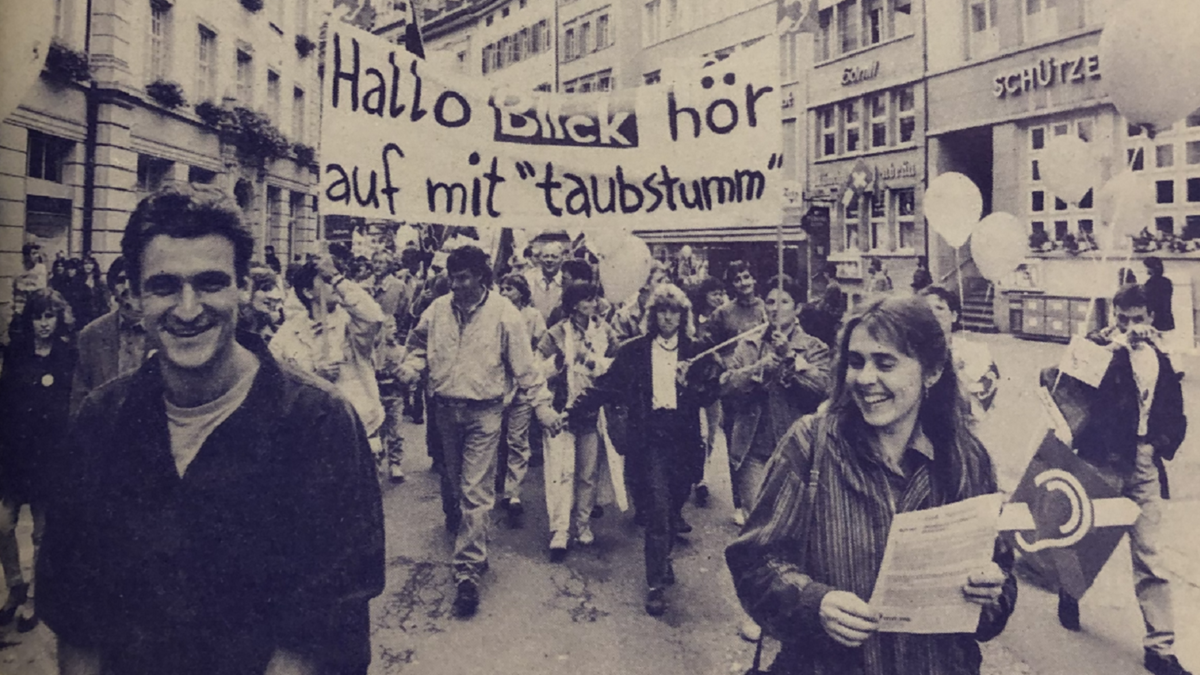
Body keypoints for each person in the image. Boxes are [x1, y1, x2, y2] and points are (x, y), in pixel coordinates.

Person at [37, 185, 385, 674]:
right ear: (135, 296)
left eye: (209, 283)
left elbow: (320, 633)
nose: (186, 308)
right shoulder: (101, 421)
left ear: (243, 286)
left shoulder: (319, 425)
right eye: (163, 286)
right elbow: (78, 621)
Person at [726, 295, 1017, 675]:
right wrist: (814, 603)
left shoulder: (966, 458)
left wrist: (990, 592)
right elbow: (754, 562)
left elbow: (999, 578)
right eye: (856, 361)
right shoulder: (811, 445)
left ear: (931, 372)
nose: (865, 379)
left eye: (885, 363)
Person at [398, 245, 562, 619]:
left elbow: (525, 368)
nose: (456, 285)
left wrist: (543, 407)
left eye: (463, 278)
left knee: (476, 489)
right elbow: (418, 345)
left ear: (481, 278)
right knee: (455, 486)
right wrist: (411, 366)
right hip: (444, 410)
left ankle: (467, 573)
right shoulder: (437, 309)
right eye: (452, 278)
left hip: (485, 412)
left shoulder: (505, 314)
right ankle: (469, 535)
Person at [1052, 284, 1190, 675]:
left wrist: (1159, 444)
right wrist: (1111, 348)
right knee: (1086, 537)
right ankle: (1069, 589)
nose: (1130, 326)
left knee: (1151, 556)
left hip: (1145, 463)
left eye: (1138, 318)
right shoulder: (1100, 348)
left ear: (1150, 318)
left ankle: (1159, 648)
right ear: (1114, 316)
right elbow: (1065, 384)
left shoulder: (1160, 358)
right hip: (1104, 461)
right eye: (1122, 318)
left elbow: (1175, 414)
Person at [570, 284, 721, 616]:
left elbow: (712, 392)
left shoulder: (696, 351)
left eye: (674, 312)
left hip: (683, 439)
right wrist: (574, 408)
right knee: (657, 510)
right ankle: (655, 585)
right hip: (650, 438)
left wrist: (691, 383)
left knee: (674, 505)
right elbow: (606, 386)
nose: (668, 318)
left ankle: (664, 556)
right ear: (652, 315)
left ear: (684, 316)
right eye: (662, 311)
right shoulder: (634, 351)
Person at [722, 277, 832, 528]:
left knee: (792, 526)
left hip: (796, 451)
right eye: (770, 301)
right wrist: (758, 369)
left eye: (784, 301)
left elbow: (823, 389)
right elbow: (726, 387)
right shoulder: (748, 344)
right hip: (753, 451)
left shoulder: (814, 347)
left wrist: (789, 358)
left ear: (797, 308)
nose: (775, 308)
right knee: (756, 527)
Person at [0, 290, 77, 632]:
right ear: (29, 320)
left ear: (59, 319)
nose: (43, 324)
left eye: (49, 316)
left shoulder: (67, 355)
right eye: (37, 316)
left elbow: (71, 407)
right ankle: (15, 585)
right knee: (3, 524)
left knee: (43, 535)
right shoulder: (16, 354)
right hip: (16, 458)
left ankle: (33, 596)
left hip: (50, 459)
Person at [271, 257, 387, 462]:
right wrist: (315, 377)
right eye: (325, 280)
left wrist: (336, 278)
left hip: (357, 429)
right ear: (308, 292)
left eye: (333, 279)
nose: (333, 285)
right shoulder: (288, 332)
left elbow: (374, 317)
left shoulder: (352, 325)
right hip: (311, 437)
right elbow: (274, 382)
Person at [537, 281, 618, 559]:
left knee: (587, 473)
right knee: (562, 473)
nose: (592, 304)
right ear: (573, 305)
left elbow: (617, 365)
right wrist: (556, 365)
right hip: (562, 409)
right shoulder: (556, 333)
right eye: (586, 299)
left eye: (594, 298)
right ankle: (560, 530)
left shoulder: (605, 332)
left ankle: (583, 524)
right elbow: (537, 369)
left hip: (592, 412)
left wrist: (594, 362)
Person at [495, 273, 549, 525]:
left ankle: (513, 492)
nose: (505, 292)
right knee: (493, 437)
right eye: (502, 288)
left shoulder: (533, 317)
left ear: (522, 293)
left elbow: (541, 347)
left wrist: (533, 370)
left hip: (523, 387)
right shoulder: (495, 315)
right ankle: (494, 484)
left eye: (510, 289)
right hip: (497, 385)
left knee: (517, 439)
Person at [69, 256, 151, 416]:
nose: (128, 287)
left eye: (134, 279)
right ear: (113, 289)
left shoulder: (165, 331)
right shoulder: (92, 334)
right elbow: (79, 398)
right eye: (121, 280)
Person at [920, 285, 999, 425]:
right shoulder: (911, 353)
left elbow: (980, 402)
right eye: (926, 309)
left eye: (939, 308)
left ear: (954, 316)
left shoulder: (974, 352)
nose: (933, 313)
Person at [692, 275, 729, 507]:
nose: (718, 297)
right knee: (699, 431)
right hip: (694, 381)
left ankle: (703, 473)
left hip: (714, 382)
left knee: (712, 430)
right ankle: (699, 477)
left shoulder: (724, 318)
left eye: (721, 293)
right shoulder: (693, 318)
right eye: (714, 293)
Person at [239, 264, 285, 342]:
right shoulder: (234, 331)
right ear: (245, 291)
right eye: (264, 289)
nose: (273, 296)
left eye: (271, 288)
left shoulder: (273, 330)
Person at [525, 241, 565, 322]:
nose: (549, 260)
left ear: (562, 259)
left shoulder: (566, 279)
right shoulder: (528, 277)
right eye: (545, 256)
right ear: (539, 258)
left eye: (554, 257)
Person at [77, 256, 111, 329]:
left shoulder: (100, 282)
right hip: (83, 316)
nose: (88, 266)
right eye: (85, 264)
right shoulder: (78, 282)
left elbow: (105, 300)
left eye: (90, 264)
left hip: (98, 314)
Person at [1142, 257, 1175, 334]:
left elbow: (1150, 302)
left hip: (1156, 318)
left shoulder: (1150, 283)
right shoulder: (1167, 282)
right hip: (1166, 317)